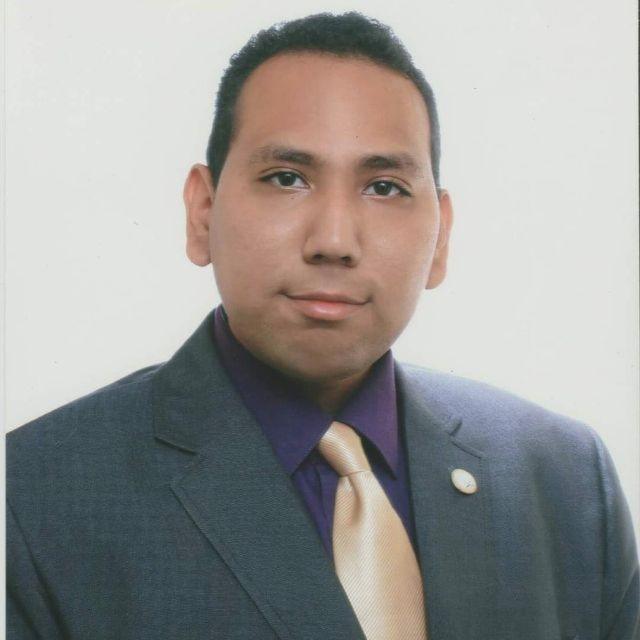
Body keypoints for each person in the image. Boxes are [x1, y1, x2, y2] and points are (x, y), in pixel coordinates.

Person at [6, 11, 638, 640]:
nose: (333, 240)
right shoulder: (34, 498)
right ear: (202, 213)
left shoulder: (563, 480)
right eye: (287, 178)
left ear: (441, 238)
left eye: (384, 187)